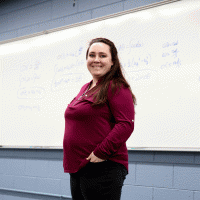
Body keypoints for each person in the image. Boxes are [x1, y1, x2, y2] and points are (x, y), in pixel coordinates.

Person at [63, 38, 136, 200]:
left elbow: (126, 124)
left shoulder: (116, 86)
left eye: (102, 55)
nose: (96, 60)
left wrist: (101, 152)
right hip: (79, 166)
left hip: (103, 165)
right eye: (92, 55)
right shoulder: (86, 87)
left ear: (112, 61)